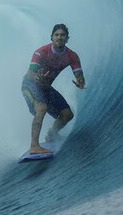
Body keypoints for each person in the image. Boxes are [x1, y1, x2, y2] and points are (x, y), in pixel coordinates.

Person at [21, 23, 86, 154]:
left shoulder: (72, 56)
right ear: (51, 37)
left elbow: (79, 75)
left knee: (67, 115)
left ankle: (52, 134)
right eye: (56, 35)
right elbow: (30, 74)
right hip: (30, 85)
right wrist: (37, 78)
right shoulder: (42, 52)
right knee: (41, 108)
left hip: (45, 88)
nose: (59, 37)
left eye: (62, 35)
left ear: (67, 38)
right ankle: (34, 146)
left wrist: (80, 82)